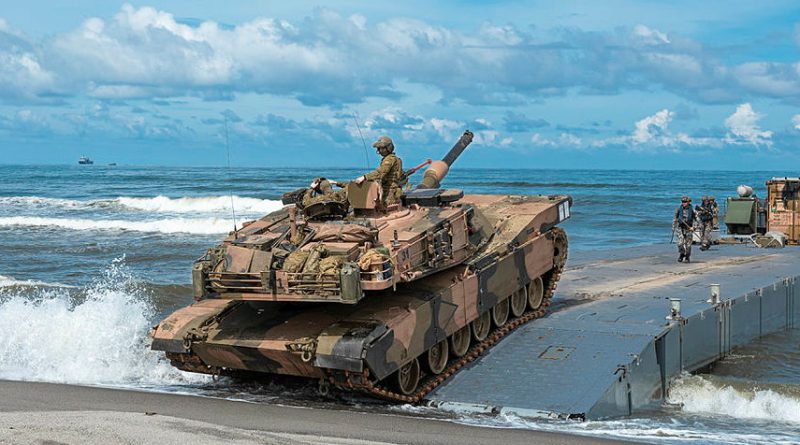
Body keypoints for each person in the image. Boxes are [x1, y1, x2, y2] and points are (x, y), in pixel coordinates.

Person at [354, 136, 404, 205]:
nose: (380, 151)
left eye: (382, 148)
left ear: (388, 148)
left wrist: (364, 177)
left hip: (389, 193)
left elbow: (380, 173)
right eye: (379, 148)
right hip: (391, 192)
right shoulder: (395, 159)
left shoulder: (389, 159)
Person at [673, 196, 695, 263]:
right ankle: (682, 254)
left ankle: (687, 256)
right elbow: (675, 219)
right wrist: (673, 227)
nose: (684, 203)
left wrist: (694, 227)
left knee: (688, 245)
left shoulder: (692, 210)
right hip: (680, 228)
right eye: (682, 202)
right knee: (680, 244)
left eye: (685, 202)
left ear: (688, 202)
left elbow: (698, 220)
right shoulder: (678, 209)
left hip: (689, 229)